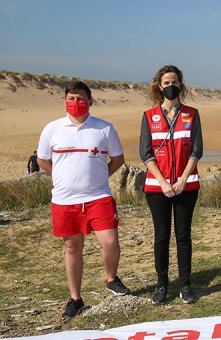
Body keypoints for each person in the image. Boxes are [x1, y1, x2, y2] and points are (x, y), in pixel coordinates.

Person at [37, 81, 130, 321]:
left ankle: (111, 279)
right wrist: (61, 179)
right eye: (71, 98)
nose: (75, 103)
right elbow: (43, 161)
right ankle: (76, 299)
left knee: (109, 242)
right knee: (72, 247)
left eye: (80, 98)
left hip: (98, 197)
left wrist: (98, 178)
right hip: (64, 200)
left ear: (91, 101)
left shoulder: (104, 128)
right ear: (65, 101)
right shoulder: (52, 128)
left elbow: (118, 159)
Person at [139, 65, 203, 304]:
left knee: (184, 236)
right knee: (161, 236)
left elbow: (197, 150)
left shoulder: (192, 114)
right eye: (166, 83)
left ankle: (185, 284)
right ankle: (162, 285)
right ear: (159, 85)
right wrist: (165, 182)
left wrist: (183, 179)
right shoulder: (148, 116)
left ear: (181, 84)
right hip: (158, 188)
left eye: (174, 82)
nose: (170, 86)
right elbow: (145, 153)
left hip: (187, 186)